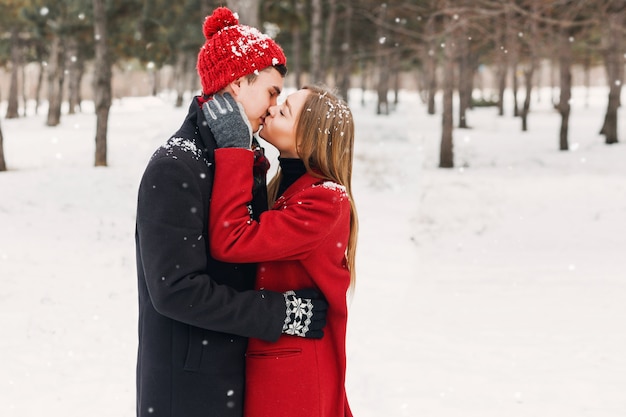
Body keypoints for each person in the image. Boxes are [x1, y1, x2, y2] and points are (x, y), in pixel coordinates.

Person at [134, 8, 328, 417]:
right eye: (272, 92)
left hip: (233, 380)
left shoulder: (239, 158)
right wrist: (280, 313)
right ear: (239, 83)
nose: (275, 106)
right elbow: (176, 291)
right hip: (189, 392)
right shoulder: (176, 165)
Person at [204, 86, 358, 416]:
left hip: (293, 380)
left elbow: (232, 240)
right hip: (276, 365)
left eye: (285, 110)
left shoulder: (325, 201)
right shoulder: (285, 189)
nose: (272, 109)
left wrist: (235, 149)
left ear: (308, 140)